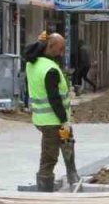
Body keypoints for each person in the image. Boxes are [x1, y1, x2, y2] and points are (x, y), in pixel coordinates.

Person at [25, 32, 79, 191]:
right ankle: (44, 189)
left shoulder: (31, 64)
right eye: (60, 49)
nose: (61, 53)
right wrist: (64, 120)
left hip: (43, 118)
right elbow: (54, 98)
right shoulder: (50, 69)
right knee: (49, 156)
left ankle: (73, 176)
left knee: (67, 142)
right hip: (52, 121)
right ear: (50, 46)